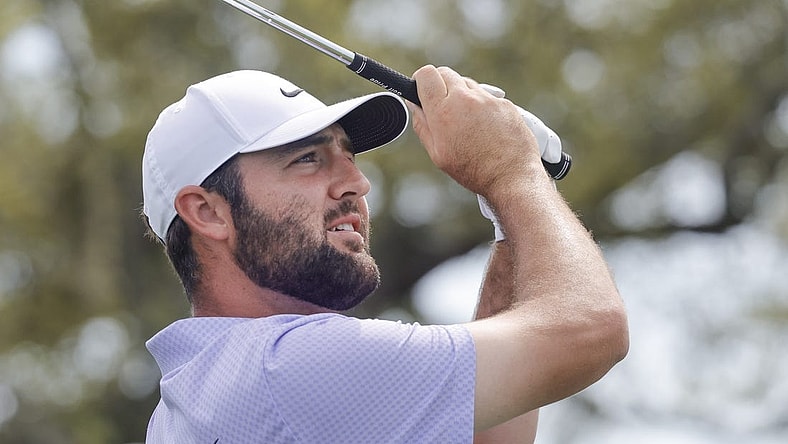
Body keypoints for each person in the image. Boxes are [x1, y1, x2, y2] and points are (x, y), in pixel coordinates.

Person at [141, 67, 628, 443]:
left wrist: (508, 217)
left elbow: (487, 431)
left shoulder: (200, 392)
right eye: (307, 159)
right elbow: (590, 329)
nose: (356, 183)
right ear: (207, 212)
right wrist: (512, 171)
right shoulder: (287, 368)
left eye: (348, 156)